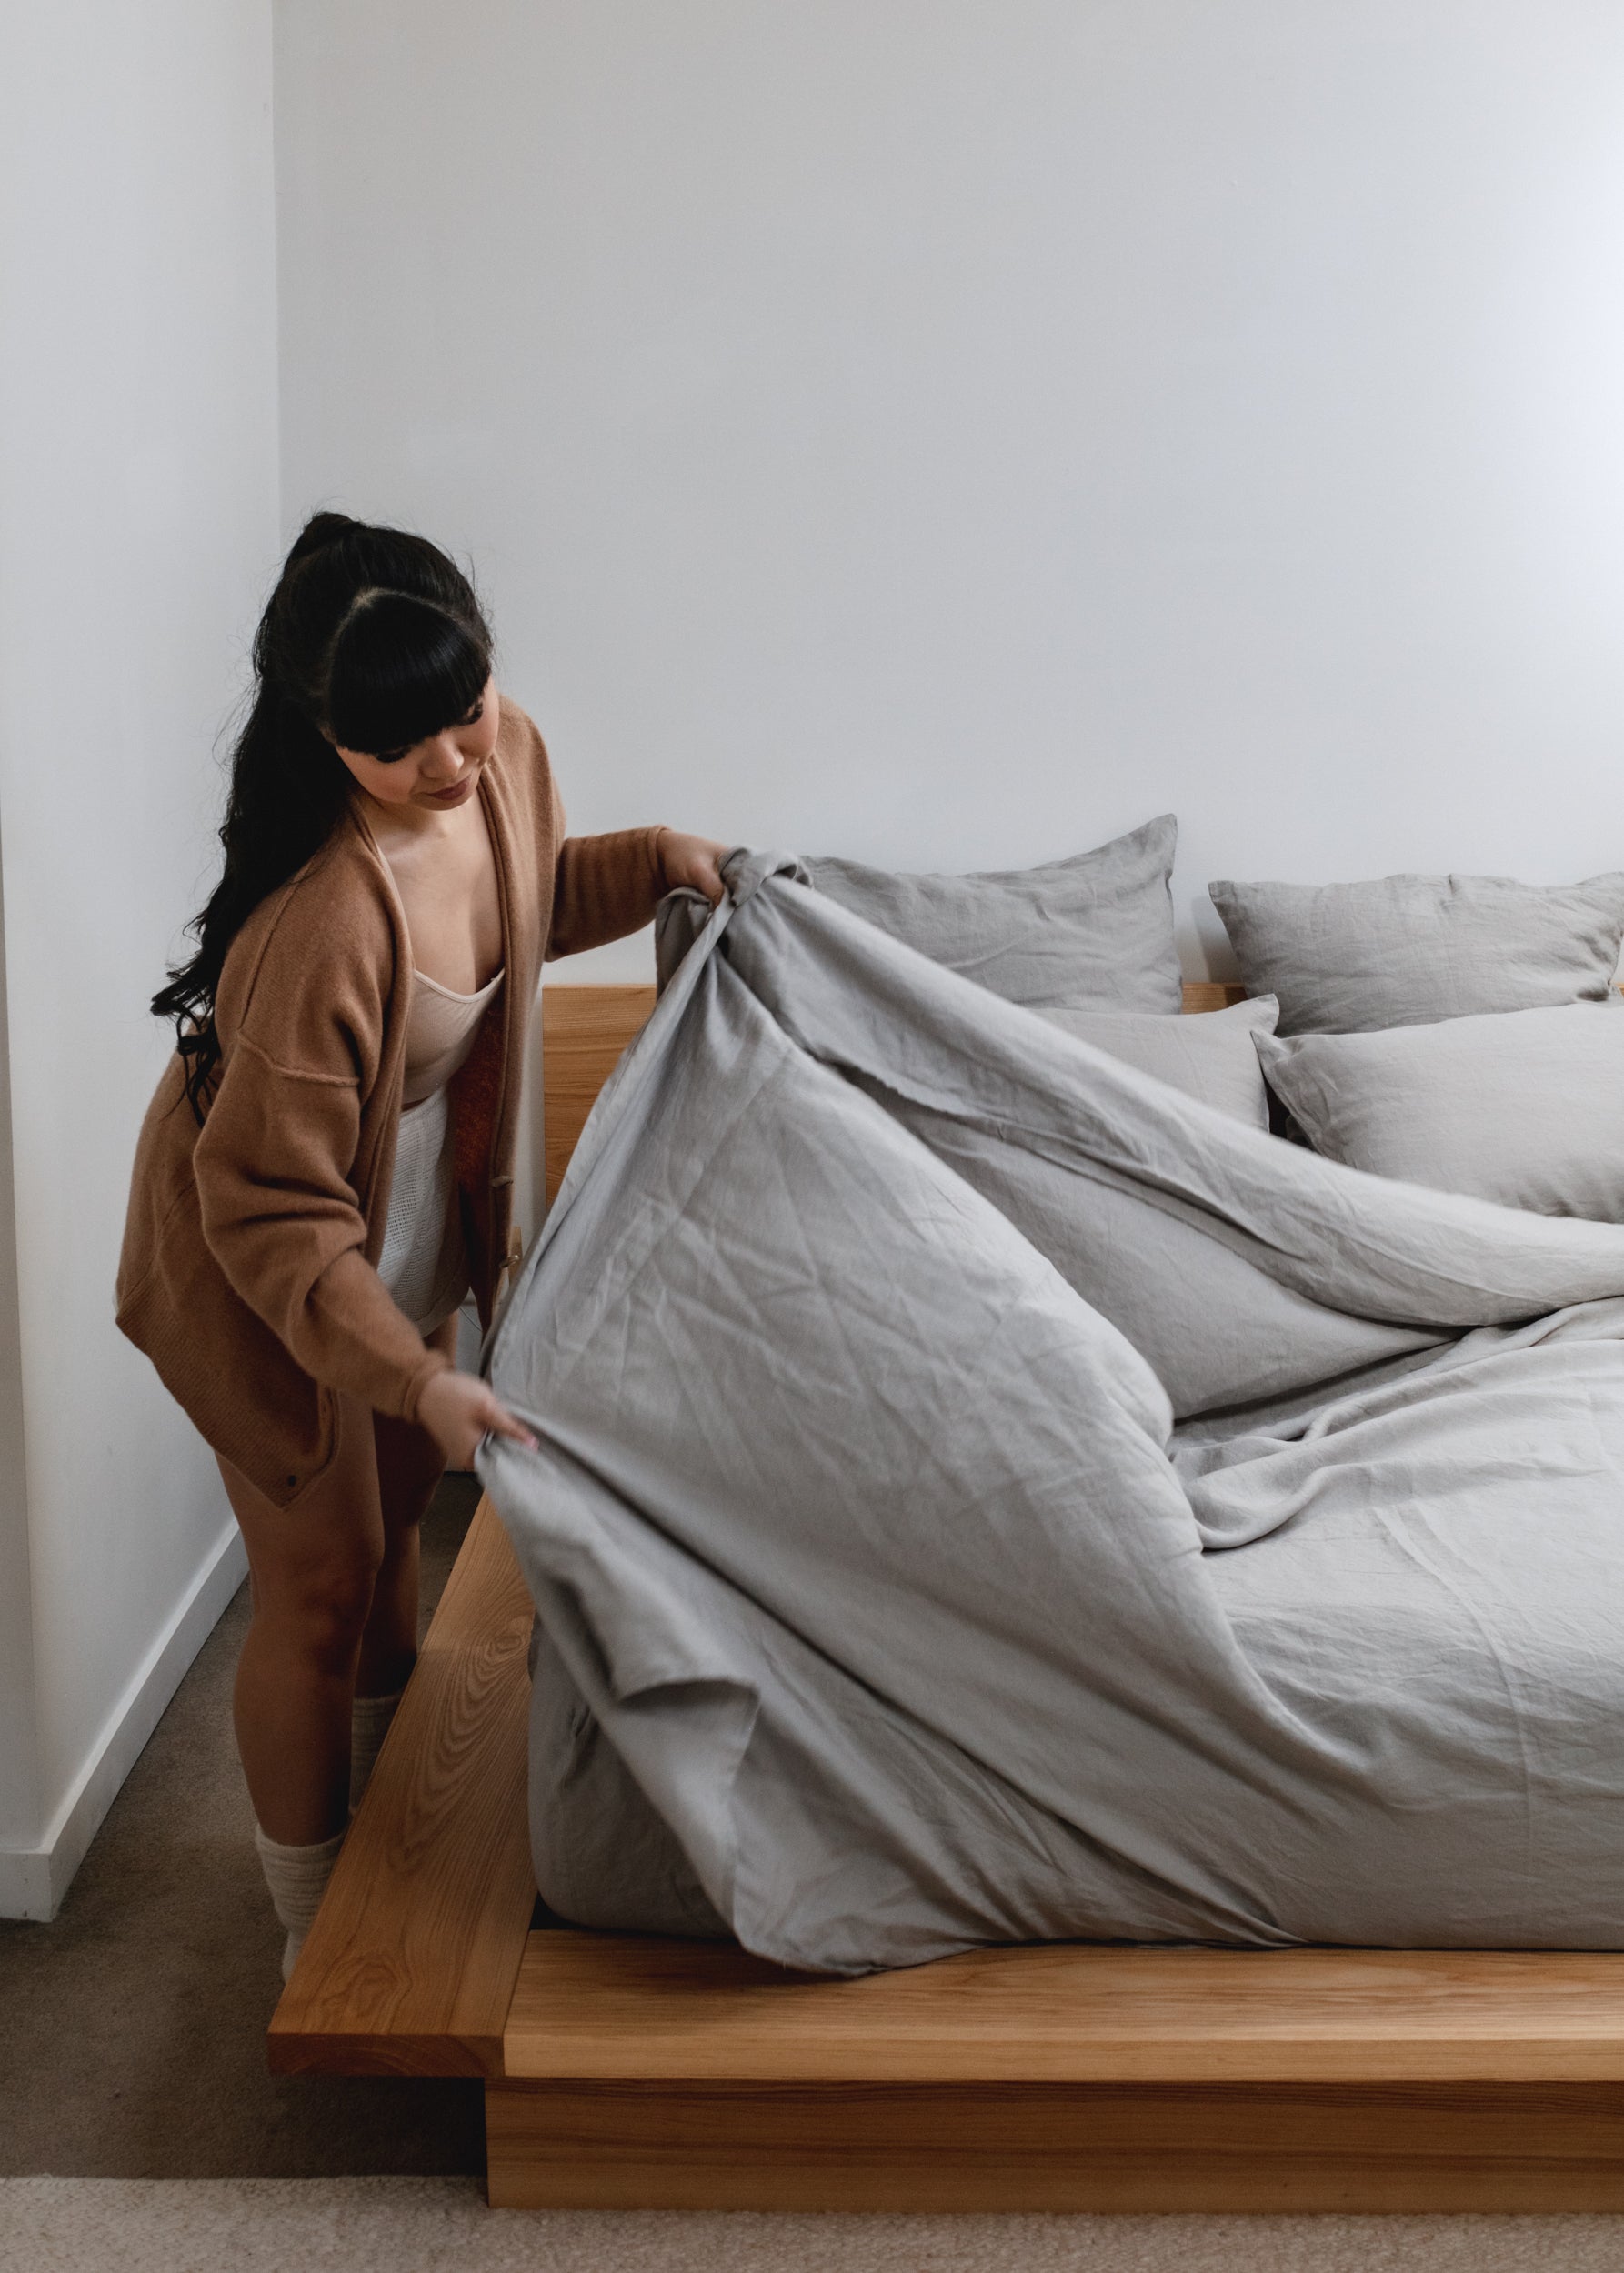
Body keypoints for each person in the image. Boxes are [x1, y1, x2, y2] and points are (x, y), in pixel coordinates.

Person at [117, 512, 727, 1978]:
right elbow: (272, 1219)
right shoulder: (320, 924)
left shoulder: (498, 754)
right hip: (267, 1255)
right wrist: (414, 1375)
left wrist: (659, 859)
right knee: (320, 1590)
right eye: (409, 749)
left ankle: (386, 1859)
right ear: (327, 737)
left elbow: (517, 903)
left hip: (405, 1211)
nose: (454, 761)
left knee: (398, 1543)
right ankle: (304, 1929)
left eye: (467, 712)